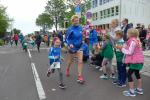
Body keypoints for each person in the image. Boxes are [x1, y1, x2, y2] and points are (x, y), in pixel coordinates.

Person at [116, 28, 144, 97]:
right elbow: (129, 48)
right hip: (139, 61)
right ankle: (139, 89)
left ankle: (132, 91)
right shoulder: (136, 40)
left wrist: (121, 49)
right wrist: (123, 47)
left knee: (129, 74)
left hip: (135, 61)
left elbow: (130, 52)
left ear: (131, 34)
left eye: (127, 33)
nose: (126, 34)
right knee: (137, 74)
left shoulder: (133, 41)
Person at [65, 15, 84, 83]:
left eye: (77, 20)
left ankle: (79, 76)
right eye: (75, 21)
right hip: (72, 47)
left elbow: (82, 36)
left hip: (80, 47)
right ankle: (67, 69)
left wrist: (83, 39)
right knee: (71, 61)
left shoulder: (81, 28)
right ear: (72, 21)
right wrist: (70, 44)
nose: (76, 22)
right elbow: (67, 39)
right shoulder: (70, 29)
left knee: (80, 61)